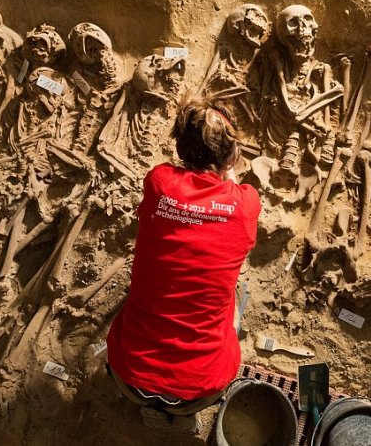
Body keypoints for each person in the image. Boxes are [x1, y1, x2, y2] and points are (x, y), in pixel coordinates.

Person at [105, 100, 261, 424]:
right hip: (201, 389)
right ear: (232, 156)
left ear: (180, 147)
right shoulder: (245, 204)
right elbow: (232, 192)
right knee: (236, 294)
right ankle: (181, 410)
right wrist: (226, 172)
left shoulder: (159, 182)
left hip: (127, 373)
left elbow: (179, 182)